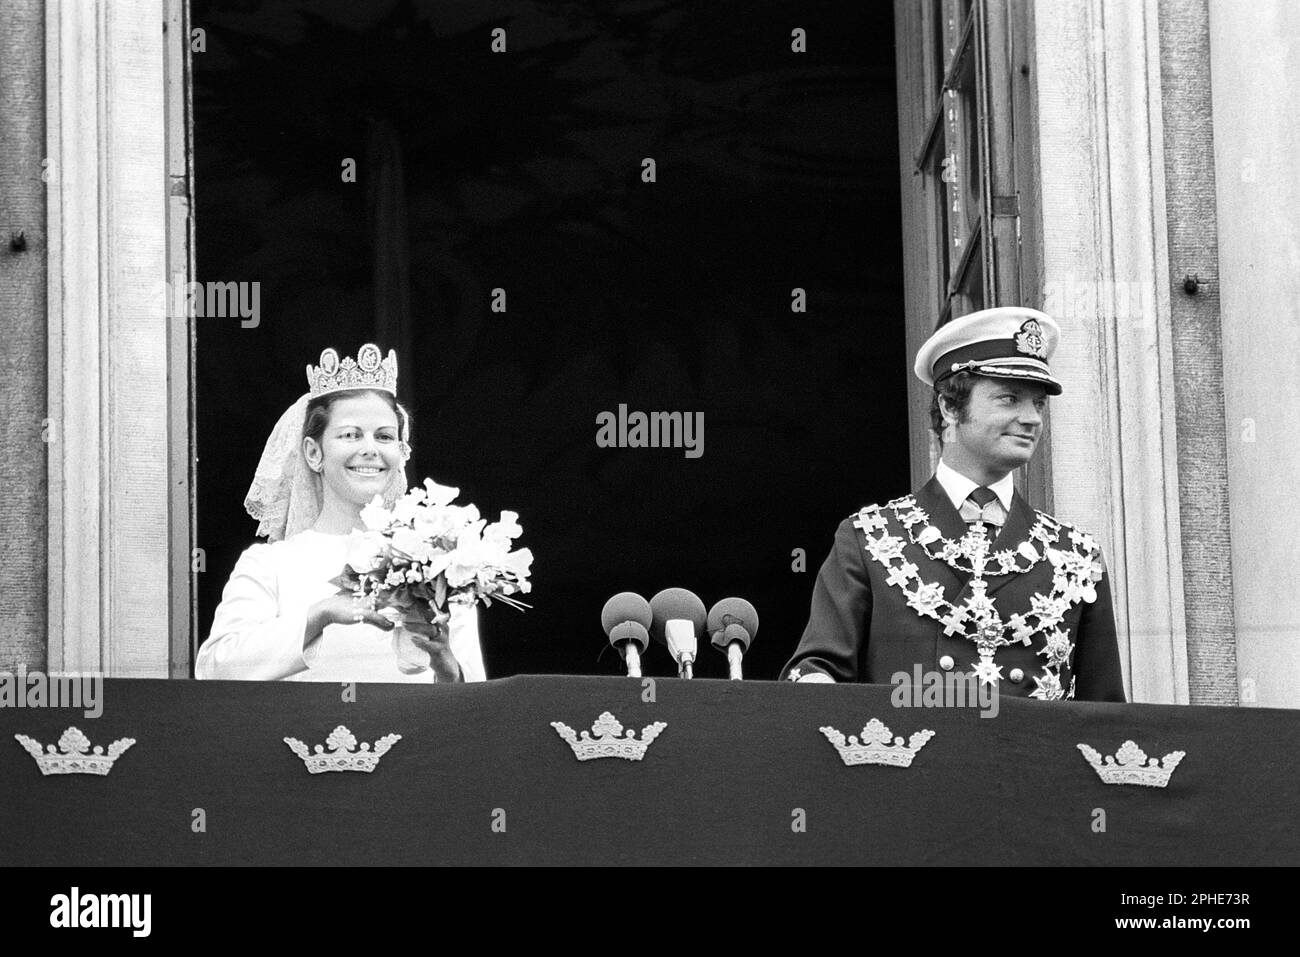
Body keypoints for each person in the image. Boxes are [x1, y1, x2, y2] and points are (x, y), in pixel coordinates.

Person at [781, 307, 1126, 701]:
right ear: (949, 406)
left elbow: (1106, 717)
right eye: (1009, 398)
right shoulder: (869, 540)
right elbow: (815, 674)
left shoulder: (1076, 557)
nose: (1031, 418)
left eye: (1038, 405)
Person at [196, 343, 486, 683]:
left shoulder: (439, 563)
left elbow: (474, 706)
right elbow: (216, 670)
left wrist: (447, 665)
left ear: (400, 452)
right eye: (350, 435)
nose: (370, 449)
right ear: (313, 453)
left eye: (384, 436)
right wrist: (319, 615)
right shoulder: (268, 564)